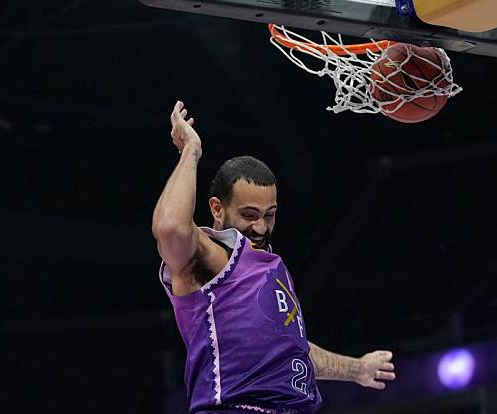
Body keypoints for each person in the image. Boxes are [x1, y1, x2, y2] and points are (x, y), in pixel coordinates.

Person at [152, 101, 396, 414]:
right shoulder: (212, 258)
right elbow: (170, 228)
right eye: (249, 214)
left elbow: (294, 349)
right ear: (216, 208)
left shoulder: (272, 268)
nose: (261, 226)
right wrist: (191, 151)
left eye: (270, 214)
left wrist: (356, 369)